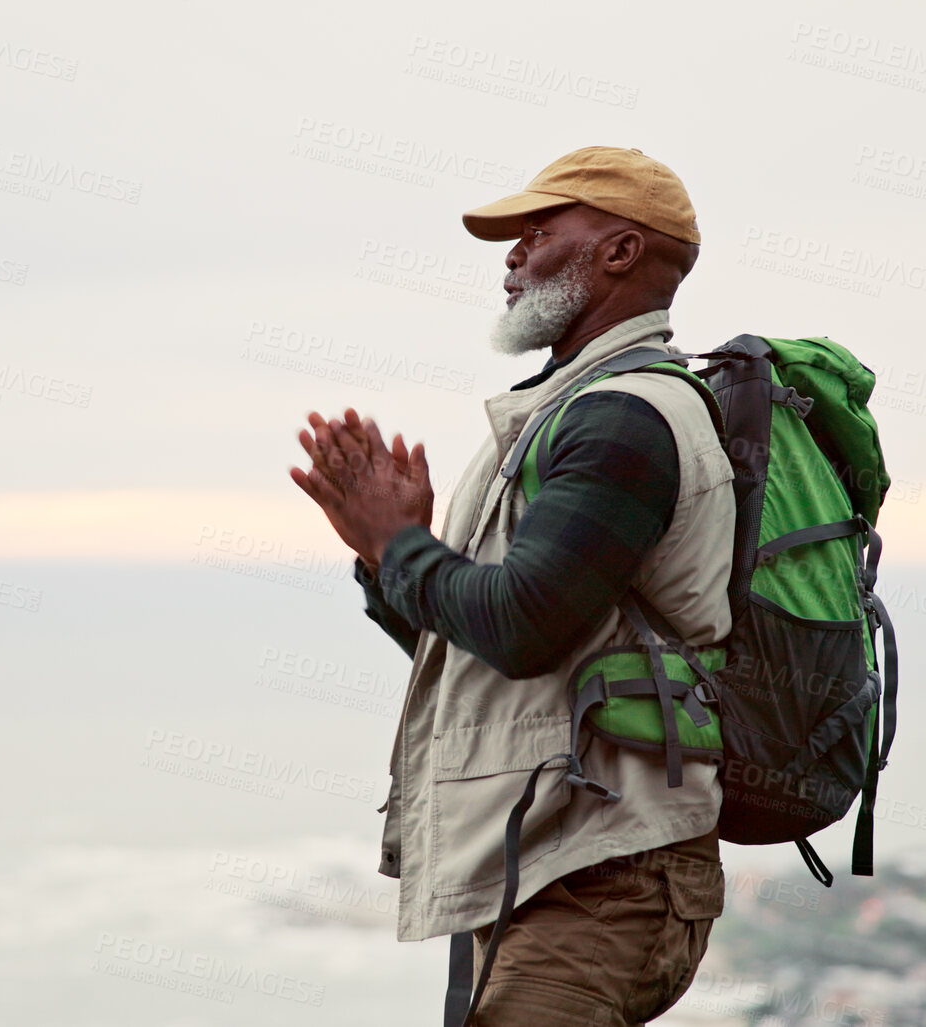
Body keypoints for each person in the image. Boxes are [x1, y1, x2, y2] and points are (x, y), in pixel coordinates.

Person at [289, 146, 735, 1026]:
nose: (512, 255)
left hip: (601, 873)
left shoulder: (623, 419)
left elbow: (522, 626)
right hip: (551, 860)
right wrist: (391, 563)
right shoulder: (572, 412)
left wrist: (400, 540)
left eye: (539, 231)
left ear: (618, 252)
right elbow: (487, 647)